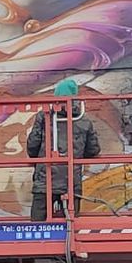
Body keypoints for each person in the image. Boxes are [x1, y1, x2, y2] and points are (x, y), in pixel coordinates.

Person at [25, 79, 101, 221]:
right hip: (71, 181)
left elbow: (32, 146)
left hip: (45, 180)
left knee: (38, 227)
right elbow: (93, 150)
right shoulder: (84, 121)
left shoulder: (44, 116)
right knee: (70, 226)